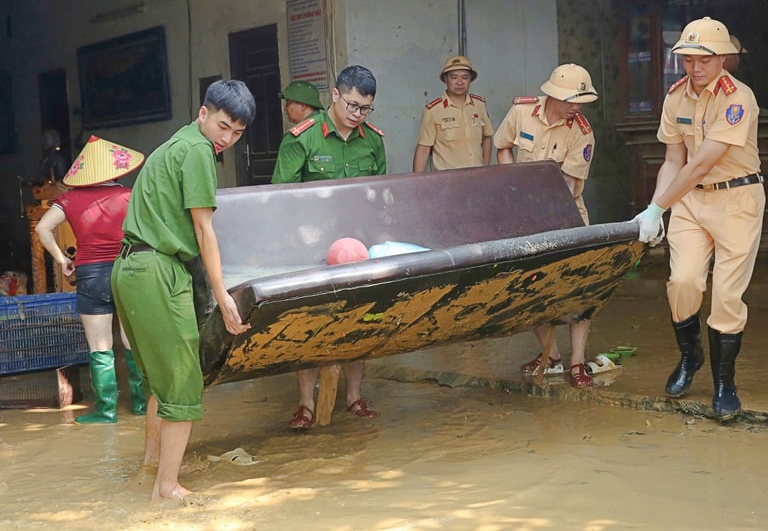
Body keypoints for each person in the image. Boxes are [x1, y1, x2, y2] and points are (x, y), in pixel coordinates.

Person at [111, 79, 256, 502]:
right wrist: (224, 295)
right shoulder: (197, 151)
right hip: (157, 270)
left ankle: (152, 468)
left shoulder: (176, 143)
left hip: (131, 268)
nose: (227, 139)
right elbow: (203, 228)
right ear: (203, 113)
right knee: (183, 383)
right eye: (224, 126)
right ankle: (167, 488)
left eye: (237, 133)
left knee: (160, 380)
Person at [632, 17, 764, 421]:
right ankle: (691, 358)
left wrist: (659, 208)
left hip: (737, 200)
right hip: (690, 202)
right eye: (688, 58)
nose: (695, 67)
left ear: (723, 58)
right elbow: (674, 160)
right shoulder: (675, 98)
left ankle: (726, 384)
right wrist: (656, 206)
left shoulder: (738, 98)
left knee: (726, 295)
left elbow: (703, 162)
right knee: (683, 281)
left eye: (704, 58)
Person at [271, 65, 385, 428]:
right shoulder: (302, 138)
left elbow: (380, 197)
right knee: (312, 323)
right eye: (352, 105)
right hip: (312, 249)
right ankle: (306, 404)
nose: (357, 115)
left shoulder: (373, 140)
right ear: (335, 95)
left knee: (360, 320)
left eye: (365, 109)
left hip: (359, 248)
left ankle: (353, 397)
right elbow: (281, 198)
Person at [493, 63, 599, 389]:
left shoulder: (582, 132)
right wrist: (514, 186)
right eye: (571, 99)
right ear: (552, 94)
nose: (576, 107)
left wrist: (536, 206)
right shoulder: (521, 112)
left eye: (581, 100)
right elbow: (502, 147)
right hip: (524, 214)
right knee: (531, 289)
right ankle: (550, 355)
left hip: (565, 214)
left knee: (577, 291)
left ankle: (578, 364)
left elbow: (569, 186)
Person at [35, 135, 147, 424]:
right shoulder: (130, 196)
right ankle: (140, 405)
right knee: (133, 342)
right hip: (127, 272)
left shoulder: (69, 200)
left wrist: (63, 261)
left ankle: (106, 411)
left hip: (90, 276)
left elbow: (44, 229)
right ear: (115, 170)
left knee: (100, 345)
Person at [412, 55, 493, 171]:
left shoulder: (479, 105)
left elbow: (486, 138)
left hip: (477, 178)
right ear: (445, 79)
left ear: (470, 79)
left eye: (465, 77)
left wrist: (485, 169)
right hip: (447, 181)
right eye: (454, 77)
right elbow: (423, 150)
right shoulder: (433, 110)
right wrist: (417, 183)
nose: (459, 82)